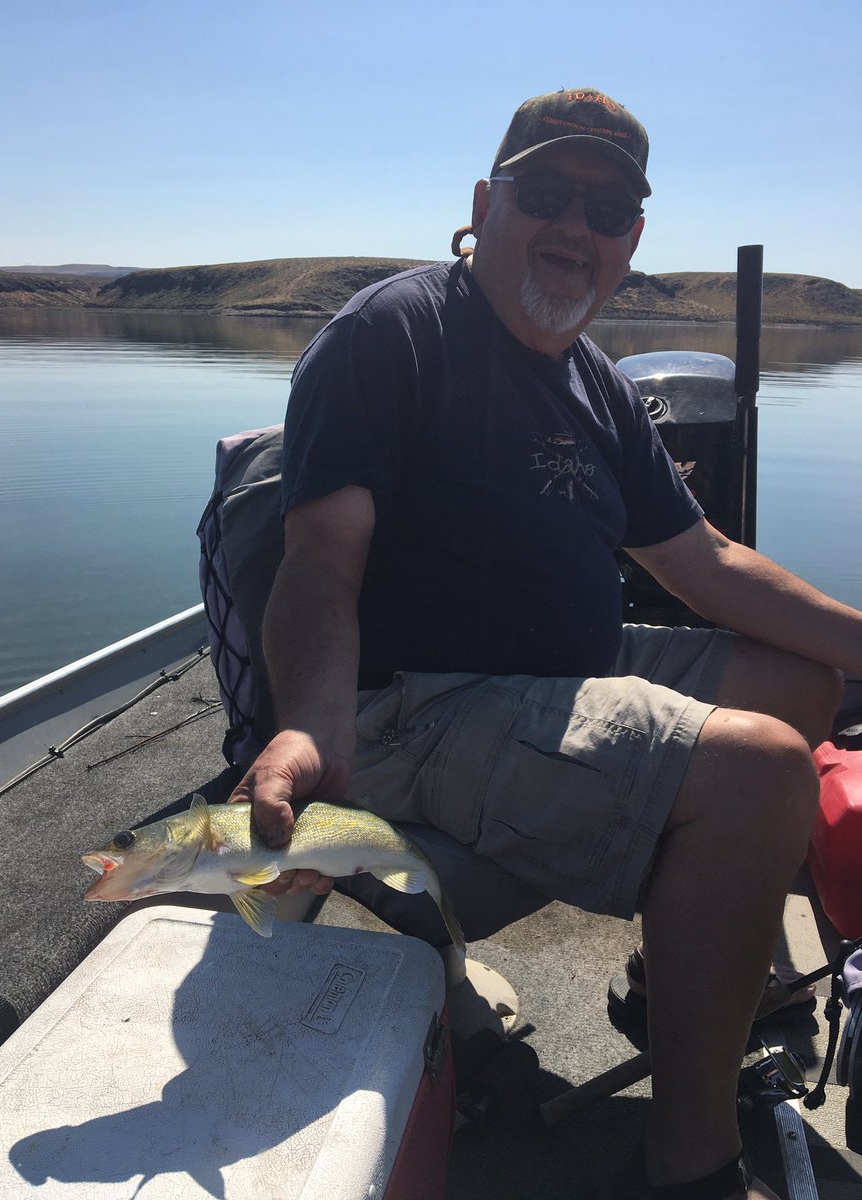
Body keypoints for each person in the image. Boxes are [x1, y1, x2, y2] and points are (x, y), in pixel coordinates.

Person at [227, 87, 862, 1199]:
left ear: (632, 240)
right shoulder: (391, 333)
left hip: (562, 676)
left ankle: (678, 972)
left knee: (802, 682)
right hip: (414, 705)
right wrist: (310, 728)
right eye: (549, 195)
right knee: (763, 769)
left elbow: (707, 563)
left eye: (606, 211)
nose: (576, 228)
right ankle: (692, 1163)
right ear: (486, 205)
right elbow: (320, 563)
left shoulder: (596, 382)